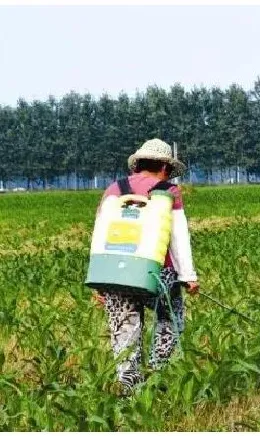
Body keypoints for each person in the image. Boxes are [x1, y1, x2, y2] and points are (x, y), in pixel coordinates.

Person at [93, 138, 199, 392]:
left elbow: (100, 233)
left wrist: (99, 283)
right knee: (170, 320)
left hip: (114, 272)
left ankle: (128, 386)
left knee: (125, 329)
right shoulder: (167, 191)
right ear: (165, 167)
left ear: (137, 165)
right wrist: (188, 276)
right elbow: (178, 236)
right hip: (156, 272)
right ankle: (155, 373)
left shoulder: (113, 190)